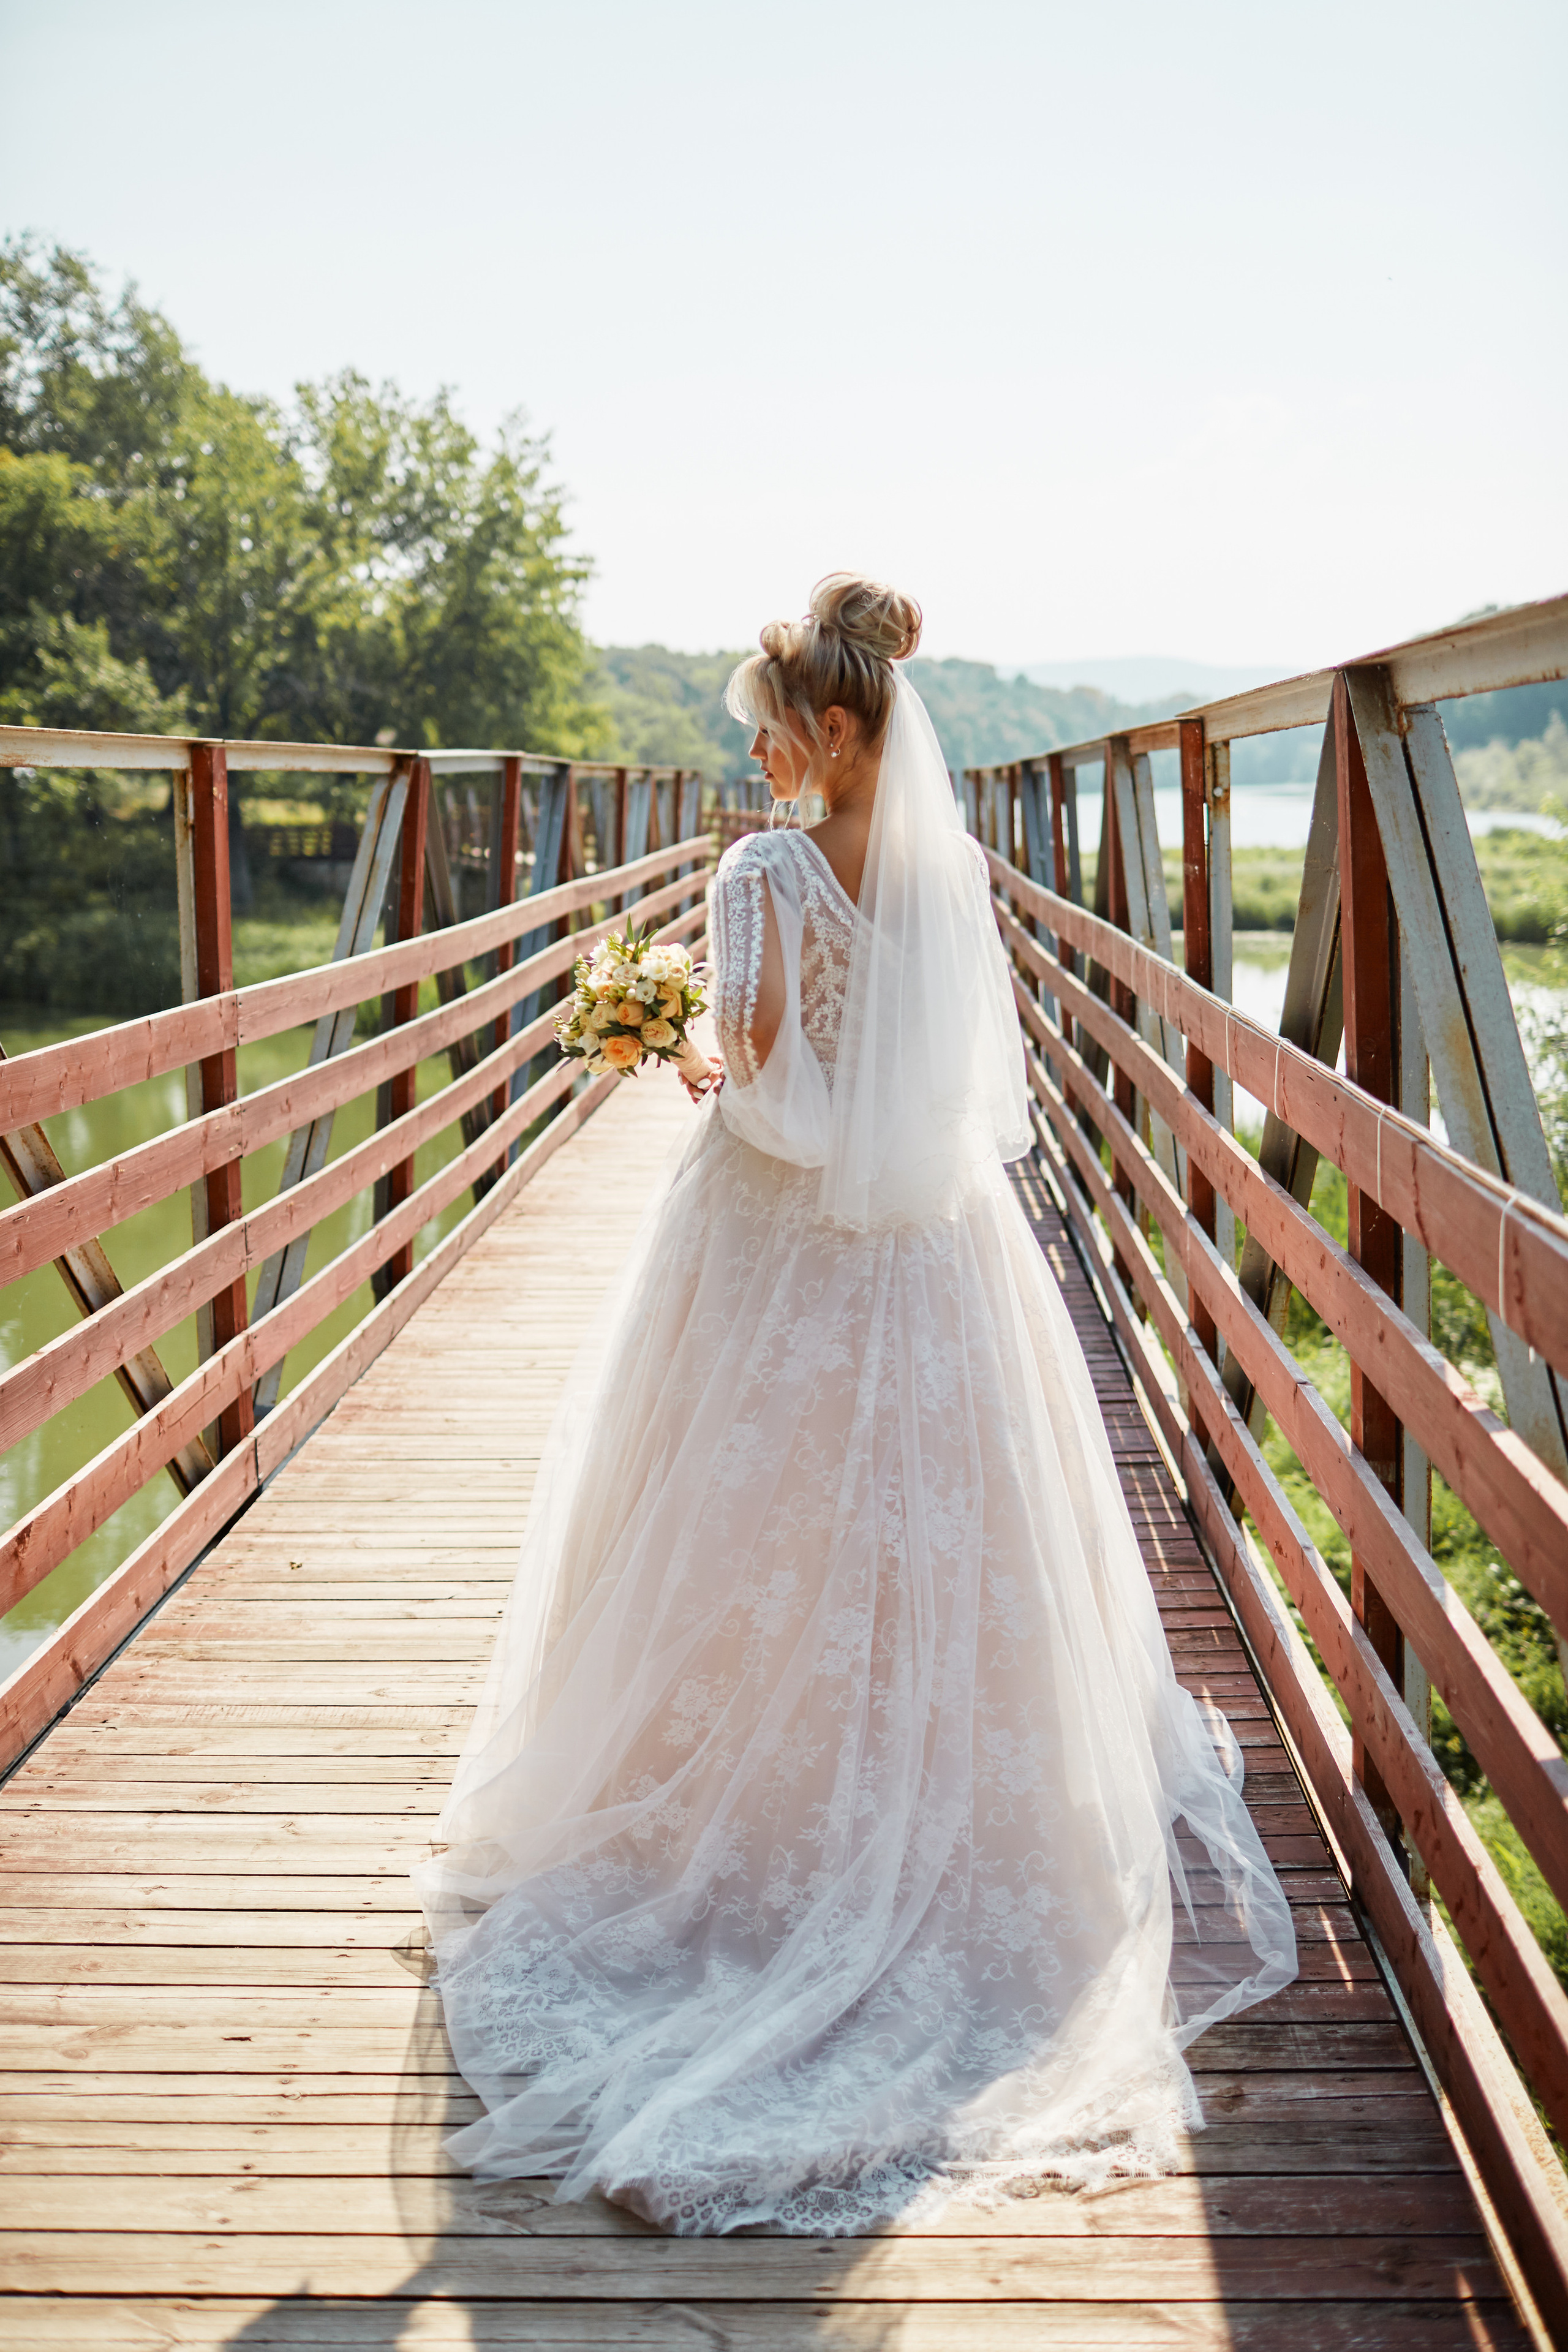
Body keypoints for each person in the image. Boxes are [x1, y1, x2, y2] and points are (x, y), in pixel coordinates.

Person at [415, 574, 1296, 2236]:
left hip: (769, 1252)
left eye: (765, 741)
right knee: (932, 1527)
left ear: (830, 729)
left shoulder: (759, 873)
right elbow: (956, 1082)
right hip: (939, 1251)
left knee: (733, 1519)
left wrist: (674, 1050)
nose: (755, 774)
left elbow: (757, 1087)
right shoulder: (955, 868)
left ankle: (746, 1821)